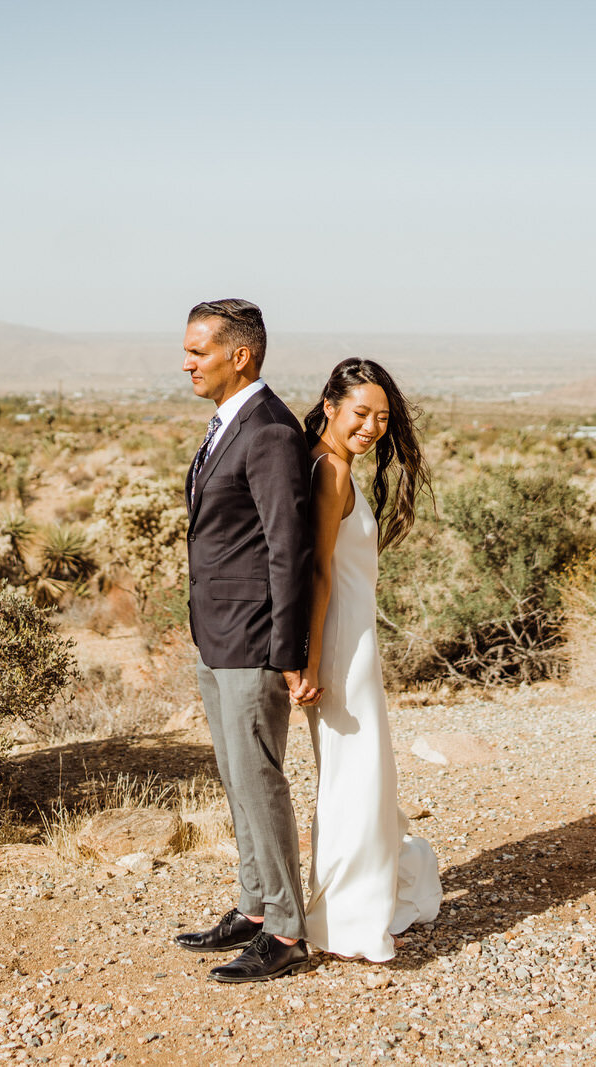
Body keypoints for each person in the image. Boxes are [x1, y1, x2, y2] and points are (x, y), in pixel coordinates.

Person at [172, 299, 317, 983]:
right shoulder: (229, 424)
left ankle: (286, 930)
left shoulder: (268, 431)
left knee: (259, 780)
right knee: (236, 778)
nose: (187, 361)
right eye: (187, 349)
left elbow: (290, 550)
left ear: (242, 355)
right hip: (216, 634)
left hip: (255, 639)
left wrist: (289, 652)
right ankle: (254, 907)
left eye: (199, 350)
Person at [292, 358, 443, 962]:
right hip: (340, 645)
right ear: (329, 405)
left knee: (359, 770)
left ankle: (362, 895)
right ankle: (349, 916)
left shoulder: (332, 463)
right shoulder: (329, 471)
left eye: (383, 418)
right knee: (357, 772)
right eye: (361, 413)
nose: (373, 427)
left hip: (350, 638)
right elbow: (321, 572)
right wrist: (309, 659)